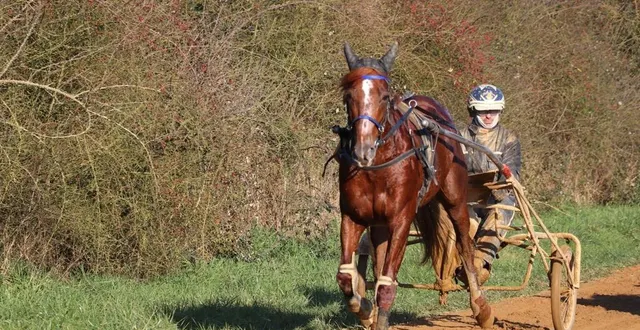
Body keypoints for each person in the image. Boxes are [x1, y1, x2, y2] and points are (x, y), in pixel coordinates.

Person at [461, 84, 522, 285]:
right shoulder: (459, 136)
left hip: (498, 198)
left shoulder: (509, 138)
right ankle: (459, 263)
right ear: (473, 110)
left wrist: (498, 185)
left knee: (498, 215)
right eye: (483, 110)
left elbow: (512, 173)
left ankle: (480, 264)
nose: (488, 115)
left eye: (493, 110)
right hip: (466, 198)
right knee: (459, 220)